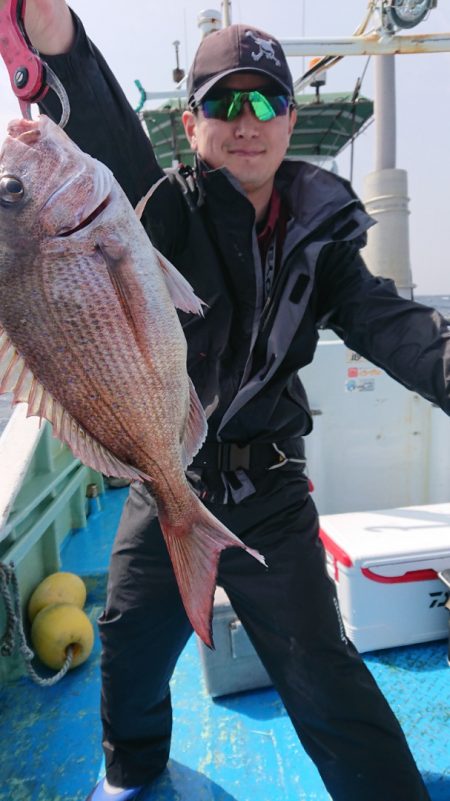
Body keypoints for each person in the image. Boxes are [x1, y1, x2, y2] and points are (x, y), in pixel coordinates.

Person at [6, 3, 450, 800]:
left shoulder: (325, 239)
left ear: (289, 117)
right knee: (128, 640)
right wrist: (54, 35)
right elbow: (105, 131)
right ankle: (133, 774)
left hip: (271, 488)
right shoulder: (156, 208)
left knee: (320, 666)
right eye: (222, 101)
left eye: (264, 101)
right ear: (191, 122)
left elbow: (401, 331)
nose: (245, 122)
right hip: (167, 467)